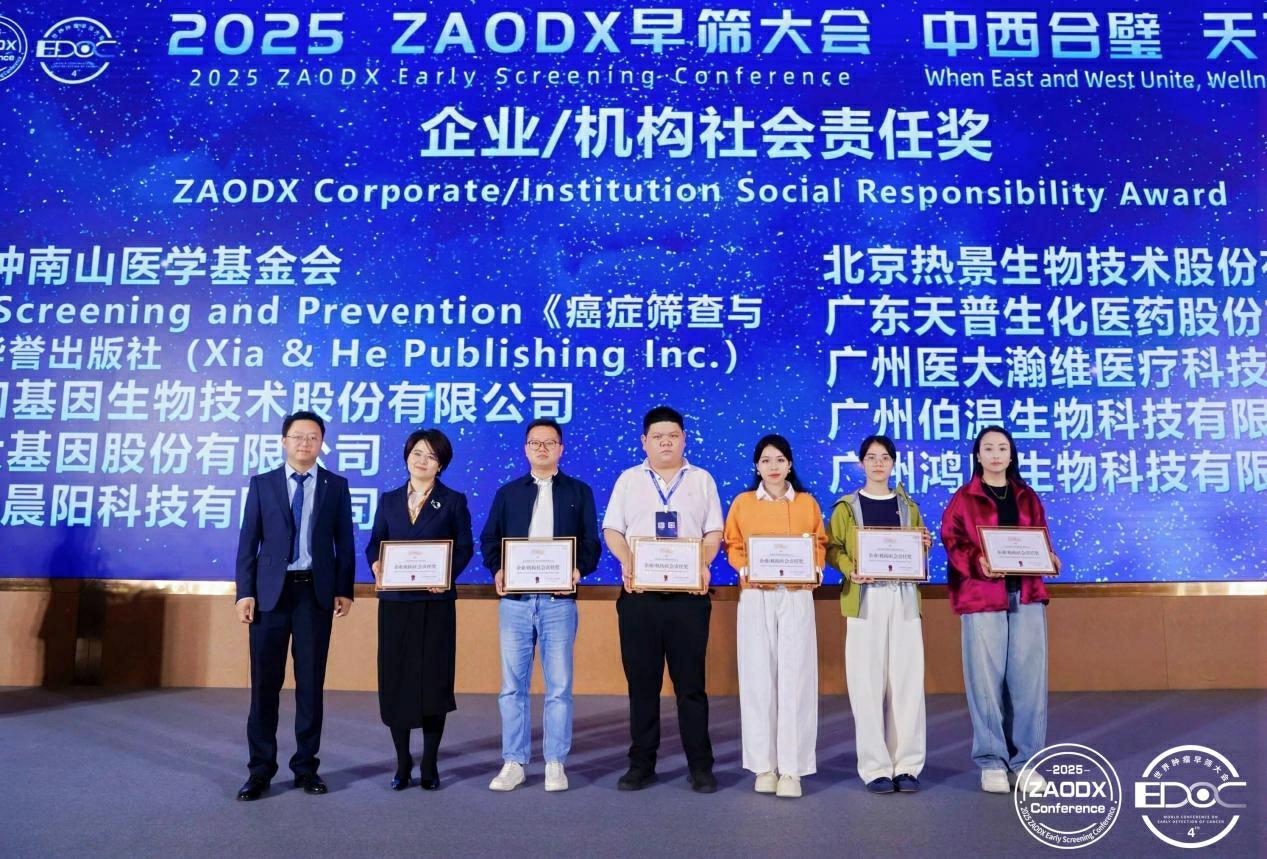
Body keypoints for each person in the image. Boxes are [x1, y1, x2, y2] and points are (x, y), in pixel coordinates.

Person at [234, 410, 355, 801]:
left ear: (322, 443)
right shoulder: (263, 484)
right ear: (284, 441)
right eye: (298, 436)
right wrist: (245, 592)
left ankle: (306, 767)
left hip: (313, 594)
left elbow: (345, 543)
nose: (306, 443)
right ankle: (260, 770)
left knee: (310, 685)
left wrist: (345, 589)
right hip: (270, 596)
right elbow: (248, 542)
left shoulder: (336, 486)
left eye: (313, 437)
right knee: (264, 686)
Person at [602, 406, 724, 793]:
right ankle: (641, 763)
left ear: (684, 439)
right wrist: (628, 561)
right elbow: (612, 529)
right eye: (657, 437)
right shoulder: (628, 480)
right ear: (645, 442)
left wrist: (702, 563)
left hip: (688, 599)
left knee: (691, 686)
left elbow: (713, 531)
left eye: (673, 436)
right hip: (640, 598)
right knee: (642, 685)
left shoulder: (702, 479)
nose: (665, 442)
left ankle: (700, 766)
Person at [480, 418, 602, 793]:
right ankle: (514, 762)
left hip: (558, 601)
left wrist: (578, 569)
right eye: (535, 443)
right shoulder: (508, 493)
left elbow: (591, 542)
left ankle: (555, 762)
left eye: (550, 443)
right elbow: (489, 539)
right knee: (511, 687)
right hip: (516, 602)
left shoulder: (579, 491)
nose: (542, 448)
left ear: (561, 449)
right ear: (526, 449)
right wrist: (498, 569)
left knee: (559, 686)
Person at [940, 425, 1060, 795]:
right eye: (988, 448)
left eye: (1002, 448)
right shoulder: (964, 498)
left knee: (1028, 683)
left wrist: (1050, 557)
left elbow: (1040, 536)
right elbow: (952, 541)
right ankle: (991, 760)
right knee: (985, 682)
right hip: (982, 596)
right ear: (977, 455)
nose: (995, 454)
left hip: (1025, 595)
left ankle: (1025, 761)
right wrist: (977, 561)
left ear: (1011, 455)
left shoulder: (1027, 496)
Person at [366, 428, 473, 791]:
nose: (422, 460)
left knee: (433, 682)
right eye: (417, 453)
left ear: (441, 464)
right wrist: (377, 565)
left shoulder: (453, 501)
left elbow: (464, 547)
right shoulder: (389, 500)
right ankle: (402, 762)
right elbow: (374, 544)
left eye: (430, 456)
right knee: (396, 681)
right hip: (396, 604)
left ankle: (429, 762)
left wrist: (446, 575)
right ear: (407, 457)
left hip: (434, 604)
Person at [826, 434, 932, 795]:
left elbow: (917, 546)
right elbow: (833, 548)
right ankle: (875, 768)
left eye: (884, 457)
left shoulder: (907, 505)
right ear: (861, 463)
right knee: (866, 683)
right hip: (864, 599)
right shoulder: (846, 507)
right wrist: (850, 569)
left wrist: (923, 545)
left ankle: (908, 766)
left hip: (903, 597)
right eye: (871, 457)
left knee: (907, 682)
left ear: (893, 463)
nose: (877, 464)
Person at [722, 434, 826, 799]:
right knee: (757, 677)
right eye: (766, 460)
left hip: (796, 594)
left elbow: (819, 543)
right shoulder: (743, 502)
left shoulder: (807, 503)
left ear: (790, 464)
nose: (773, 466)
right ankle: (763, 766)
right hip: (756, 594)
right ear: (756, 466)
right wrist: (745, 567)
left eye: (780, 459)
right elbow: (733, 543)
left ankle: (792, 769)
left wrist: (815, 568)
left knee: (796, 678)